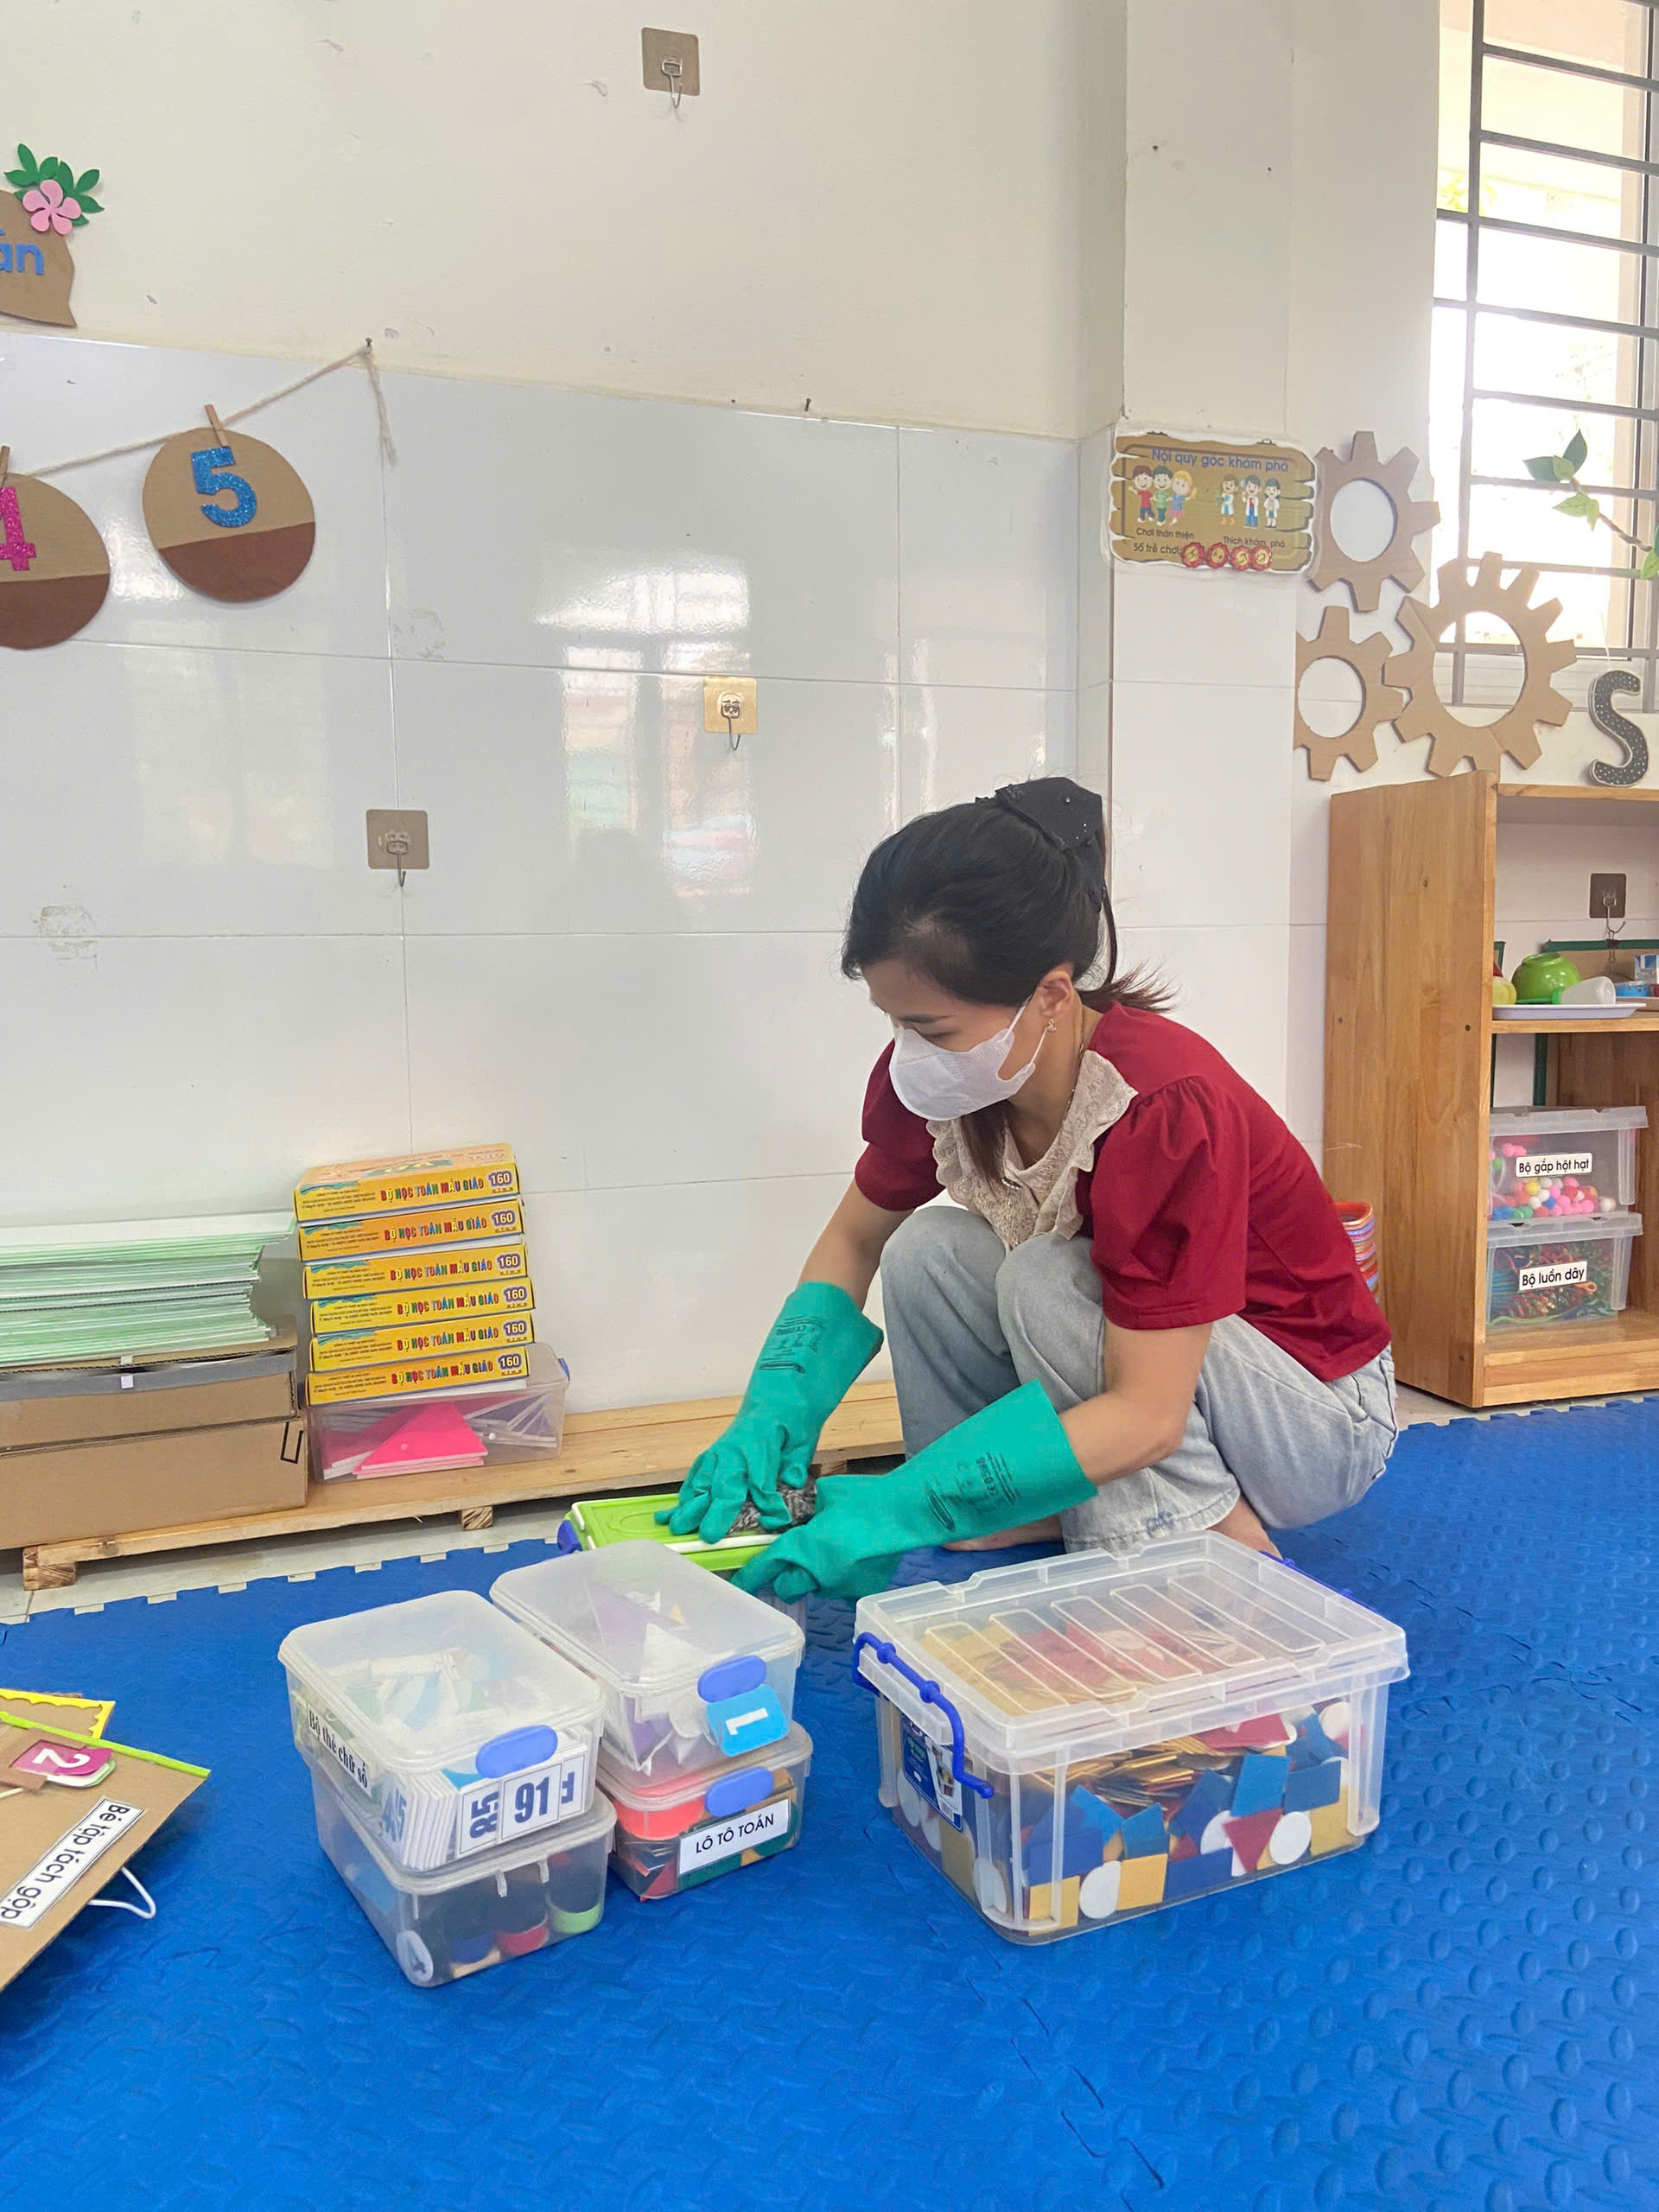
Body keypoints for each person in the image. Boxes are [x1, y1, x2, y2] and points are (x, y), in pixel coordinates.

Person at [662, 776, 1395, 1604]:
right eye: (895, 1021)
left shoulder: (1162, 1107)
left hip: (1314, 1415)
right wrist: (775, 1406)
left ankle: (1211, 1545)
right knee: (927, 1249)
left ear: (1051, 995)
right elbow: (855, 1239)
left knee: (1047, 1276)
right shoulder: (954, 1076)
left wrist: (902, 1504)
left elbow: (1149, 1413)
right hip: (1163, 1374)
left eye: (930, 1026)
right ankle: (1002, 1506)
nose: (910, 1049)